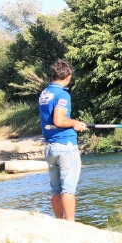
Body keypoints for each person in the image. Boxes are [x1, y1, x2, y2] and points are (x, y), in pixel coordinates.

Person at [39, 59, 87, 221]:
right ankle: (70, 225)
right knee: (68, 189)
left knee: (56, 190)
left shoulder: (45, 93)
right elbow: (59, 120)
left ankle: (59, 223)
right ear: (67, 77)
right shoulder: (62, 94)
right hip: (65, 145)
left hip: (50, 147)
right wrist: (75, 123)